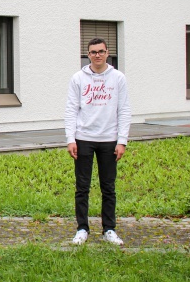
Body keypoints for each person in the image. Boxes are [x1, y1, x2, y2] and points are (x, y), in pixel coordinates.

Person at [64, 38, 131, 246]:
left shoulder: (118, 78)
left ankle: (109, 229)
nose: (97, 55)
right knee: (82, 187)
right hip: (83, 139)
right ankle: (82, 229)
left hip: (109, 139)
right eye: (93, 52)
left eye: (101, 51)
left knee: (108, 187)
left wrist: (122, 141)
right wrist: (70, 139)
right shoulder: (78, 78)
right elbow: (71, 109)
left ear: (107, 53)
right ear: (88, 54)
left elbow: (124, 110)